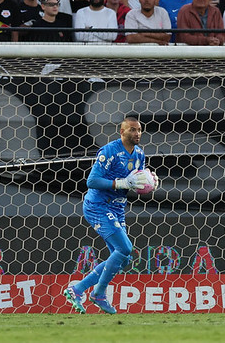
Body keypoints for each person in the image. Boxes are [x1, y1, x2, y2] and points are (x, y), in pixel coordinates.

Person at [63, 117, 156, 314]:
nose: (137, 133)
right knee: (125, 248)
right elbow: (92, 181)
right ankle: (92, 291)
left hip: (117, 208)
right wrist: (120, 183)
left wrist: (149, 183)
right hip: (98, 205)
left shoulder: (139, 154)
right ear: (122, 132)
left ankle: (85, 290)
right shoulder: (109, 151)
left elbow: (136, 182)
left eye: (139, 130)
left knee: (123, 258)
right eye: (132, 130)